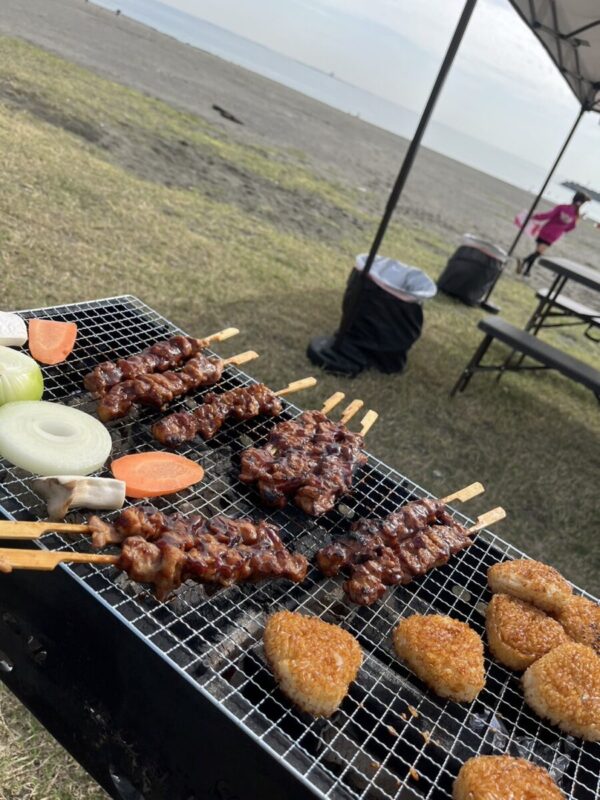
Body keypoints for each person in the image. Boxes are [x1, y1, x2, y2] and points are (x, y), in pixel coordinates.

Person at [517, 191, 591, 276]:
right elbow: (571, 228)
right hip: (553, 236)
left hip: (544, 230)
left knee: (537, 252)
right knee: (538, 253)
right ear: (582, 204)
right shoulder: (575, 216)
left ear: (573, 198)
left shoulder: (562, 207)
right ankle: (523, 261)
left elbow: (548, 215)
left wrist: (535, 216)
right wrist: (563, 227)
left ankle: (527, 271)